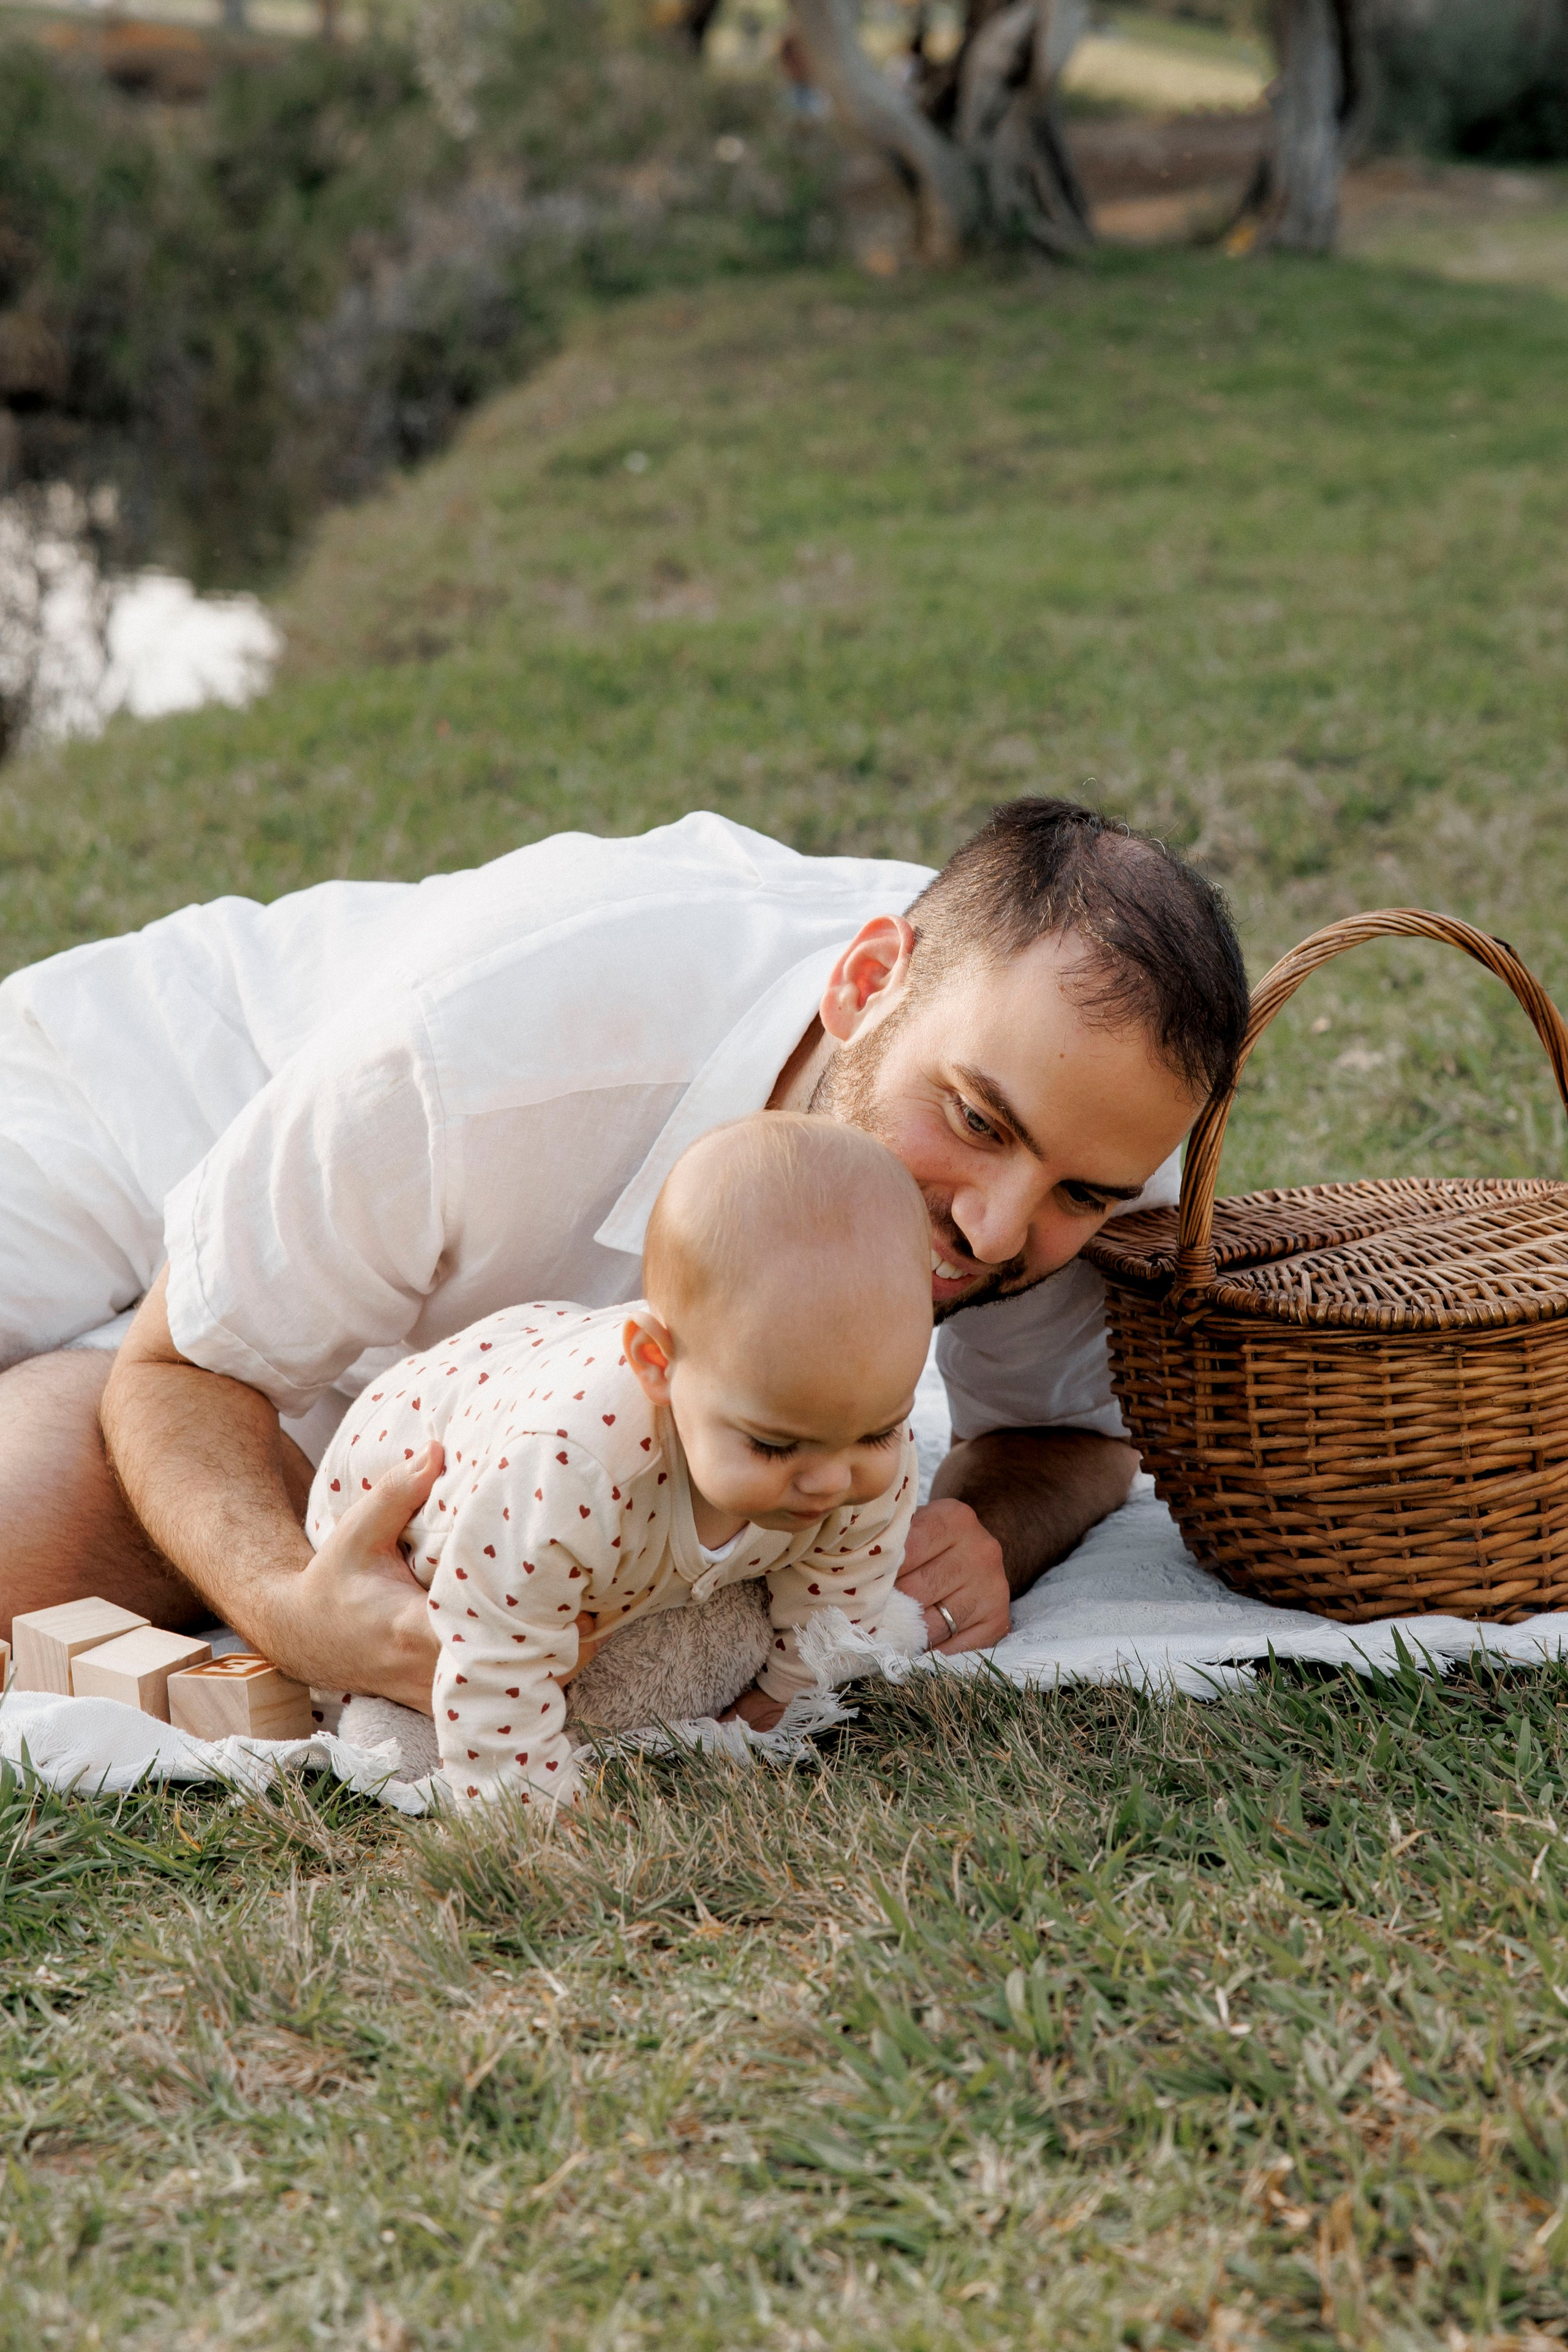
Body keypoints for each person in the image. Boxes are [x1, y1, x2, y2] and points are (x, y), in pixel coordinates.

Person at [0, 796, 1249, 1703]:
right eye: (974, 1122)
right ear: (867, 983)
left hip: (381, 1351)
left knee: (32, 1551)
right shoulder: (487, 1053)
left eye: (1079, 1192)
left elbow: (1069, 1434)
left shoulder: (1090, 1124)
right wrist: (289, 1610)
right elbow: (180, 1367)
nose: (994, 1231)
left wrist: (982, 1526)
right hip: (124, 1115)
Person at [309, 1115, 932, 1802]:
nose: (832, 1480)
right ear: (657, 1363)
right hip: (424, 1485)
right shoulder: (572, 1473)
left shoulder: (849, 1417)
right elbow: (493, 1649)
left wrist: (784, 1701)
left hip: (569, 1452)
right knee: (486, 1667)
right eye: (775, 1444)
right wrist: (530, 1807)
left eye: (879, 1434)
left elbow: (844, 1584)